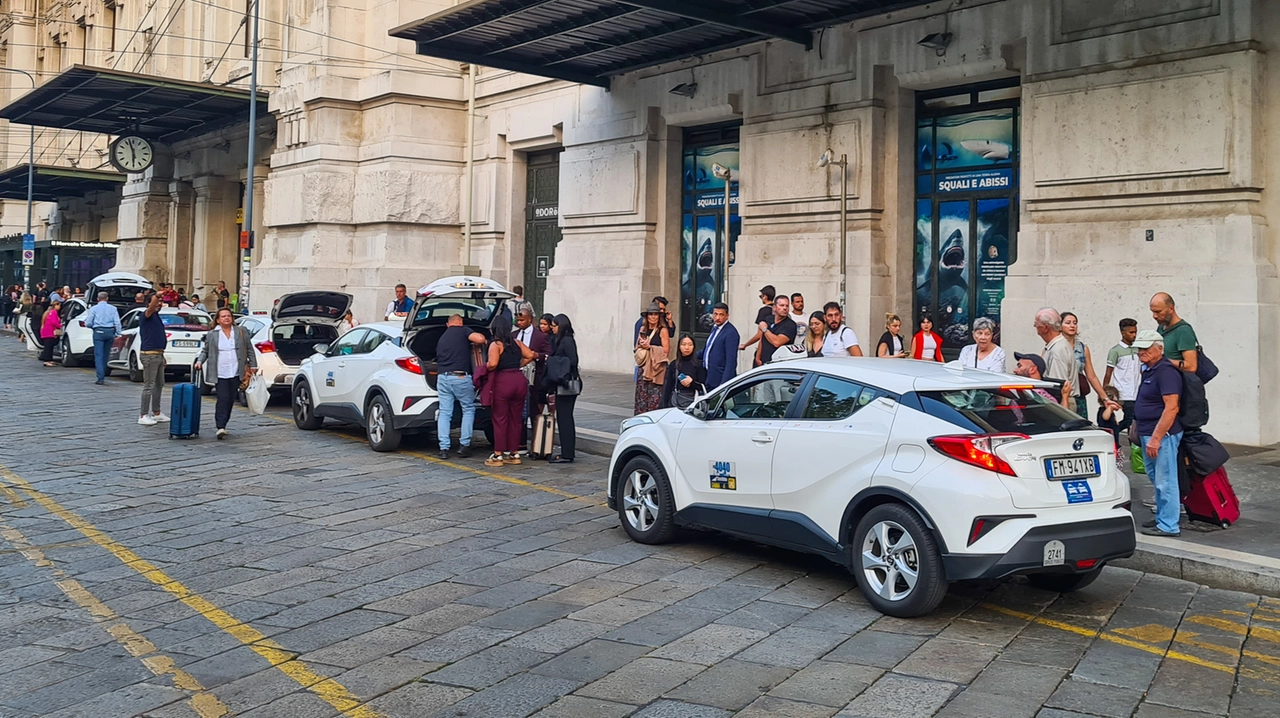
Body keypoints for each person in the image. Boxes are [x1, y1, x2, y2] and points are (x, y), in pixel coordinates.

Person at [1131, 329, 1184, 537]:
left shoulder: (1166, 371)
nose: (1141, 352)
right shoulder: (1151, 369)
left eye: (1145, 348)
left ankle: (1169, 524)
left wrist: (1156, 438)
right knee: (1157, 478)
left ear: (1159, 348)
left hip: (1162, 435)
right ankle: (1164, 517)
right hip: (1150, 433)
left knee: (1166, 480)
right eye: (1139, 348)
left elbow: (1171, 408)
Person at [194, 307, 258, 438]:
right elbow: (205, 351)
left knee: (230, 399)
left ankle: (224, 422)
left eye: (228, 316)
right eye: (223, 316)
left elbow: (249, 348)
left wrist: (253, 365)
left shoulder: (241, 331)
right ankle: (220, 426)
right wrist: (199, 361)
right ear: (218, 320)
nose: (226, 318)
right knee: (222, 398)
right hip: (220, 371)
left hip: (236, 370)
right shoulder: (213, 334)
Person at [483, 313, 534, 467]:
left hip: (503, 381)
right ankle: (514, 453)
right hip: (519, 380)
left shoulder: (496, 345)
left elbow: (492, 364)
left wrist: (482, 368)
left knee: (500, 419)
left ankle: (498, 454)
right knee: (516, 419)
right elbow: (530, 354)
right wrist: (518, 365)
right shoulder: (517, 343)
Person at [435, 314, 487, 459]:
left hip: (442, 378)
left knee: (445, 412)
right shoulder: (463, 330)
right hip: (460, 377)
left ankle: (443, 448)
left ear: (448, 324)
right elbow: (480, 339)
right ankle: (464, 445)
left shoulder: (442, 337)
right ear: (461, 322)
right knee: (468, 409)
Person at [1061, 312, 1111, 418]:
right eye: (1068, 323)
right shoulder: (1055, 347)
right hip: (1061, 394)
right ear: (1060, 326)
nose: (1072, 325)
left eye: (1075, 323)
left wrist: (1105, 398)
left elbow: (1091, 376)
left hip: (1078, 394)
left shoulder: (1082, 348)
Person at [514, 307, 552, 450]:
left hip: (535, 379)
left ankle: (537, 444)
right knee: (519, 412)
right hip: (517, 378)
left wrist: (536, 356)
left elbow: (548, 354)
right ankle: (521, 443)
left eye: (522, 320)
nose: (519, 323)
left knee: (534, 411)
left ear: (530, 319)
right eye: (517, 320)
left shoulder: (540, 336)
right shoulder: (514, 335)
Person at [132, 294, 171, 426]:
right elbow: (151, 307)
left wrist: (162, 356)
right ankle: (143, 415)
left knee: (159, 384)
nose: (159, 304)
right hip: (149, 355)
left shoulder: (156, 317)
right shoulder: (146, 315)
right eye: (157, 302)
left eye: (161, 302)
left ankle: (156, 412)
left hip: (158, 354)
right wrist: (157, 296)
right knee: (149, 386)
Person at [547, 314, 580, 463]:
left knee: (565, 418)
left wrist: (552, 360)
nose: (552, 328)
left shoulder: (567, 341)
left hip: (567, 384)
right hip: (562, 383)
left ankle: (567, 453)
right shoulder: (560, 340)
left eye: (554, 326)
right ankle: (567, 451)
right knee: (563, 417)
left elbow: (572, 360)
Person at [1104, 318, 1141, 447]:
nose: (1134, 335)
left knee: (1133, 419)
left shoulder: (1138, 349)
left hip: (1138, 392)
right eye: (1131, 332)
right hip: (1124, 393)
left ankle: (1112, 432)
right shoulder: (1115, 351)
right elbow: (1108, 373)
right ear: (1122, 333)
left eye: (1135, 332)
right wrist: (1105, 394)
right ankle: (1131, 445)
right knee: (1130, 419)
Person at [634, 302, 671, 413]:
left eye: (655, 314)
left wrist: (651, 347)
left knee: (654, 399)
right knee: (641, 398)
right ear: (647, 316)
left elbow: (666, 351)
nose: (653, 317)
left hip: (656, 369)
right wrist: (641, 345)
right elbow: (636, 347)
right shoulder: (642, 329)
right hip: (644, 367)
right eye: (651, 314)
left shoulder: (663, 330)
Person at [1150, 292, 1198, 373]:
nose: (1154, 316)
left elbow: (1191, 367)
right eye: (1153, 312)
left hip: (1175, 382)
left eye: (1158, 312)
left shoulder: (1183, 331)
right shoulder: (1161, 327)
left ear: (1171, 309)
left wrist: (1162, 361)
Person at [1035, 308, 1078, 393]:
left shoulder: (1058, 350)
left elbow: (1057, 386)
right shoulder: (1055, 346)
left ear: (1046, 328)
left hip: (1061, 402)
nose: (1035, 327)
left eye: (1036, 324)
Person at [84, 292, 122, 385]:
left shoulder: (94, 309)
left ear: (98, 299)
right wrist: (118, 333)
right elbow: (117, 322)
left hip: (99, 332)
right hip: (110, 332)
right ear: (107, 298)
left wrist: (92, 326)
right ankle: (104, 372)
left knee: (98, 355)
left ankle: (100, 377)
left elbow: (88, 322)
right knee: (106, 354)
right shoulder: (113, 309)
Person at [700, 302, 739, 390]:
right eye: (715, 314)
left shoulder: (731, 333)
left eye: (721, 315)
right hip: (709, 377)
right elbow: (707, 350)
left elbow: (731, 361)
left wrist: (724, 384)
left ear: (727, 316)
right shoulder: (714, 328)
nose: (717, 318)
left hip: (719, 381)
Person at [662, 335, 707, 408]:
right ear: (679, 346)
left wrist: (692, 382)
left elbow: (703, 387)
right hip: (675, 402)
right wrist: (663, 405)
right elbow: (667, 386)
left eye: (690, 345)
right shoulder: (674, 364)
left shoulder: (699, 365)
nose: (687, 347)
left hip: (693, 403)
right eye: (683, 344)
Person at [756, 295, 797, 366]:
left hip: (779, 364)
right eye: (781, 305)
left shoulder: (790, 325)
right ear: (774, 307)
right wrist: (757, 358)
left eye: (787, 306)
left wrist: (765, 329)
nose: (785, 308)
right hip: (764, 362)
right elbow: (762, 340)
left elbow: (777, 342)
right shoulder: (768, 319)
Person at [739, 285, 778, 355]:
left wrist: (745, 345)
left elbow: (760, 335)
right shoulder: (778, 311)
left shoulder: (764, 311)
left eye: (761, 296)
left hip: (766, 348)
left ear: (765, 296)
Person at [1097, 385, 1125, 469]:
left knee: (1119, 460)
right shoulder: (1104, 411)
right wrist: (1110, 407)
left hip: (1114, 442)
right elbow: (1105, 417)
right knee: (1113, 463)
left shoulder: (1111, 413)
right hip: (1109, 444)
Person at [39, 297, 63, 366]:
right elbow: (54, 322)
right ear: (55, 305)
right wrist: (60, 325)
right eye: (59, 305)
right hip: (49, 332)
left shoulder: (48, 312)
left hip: (46, 332)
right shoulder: (54, 312)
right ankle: (47, 361)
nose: (59, 307)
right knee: (48, 347)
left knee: (49, 346)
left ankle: (49, 359)